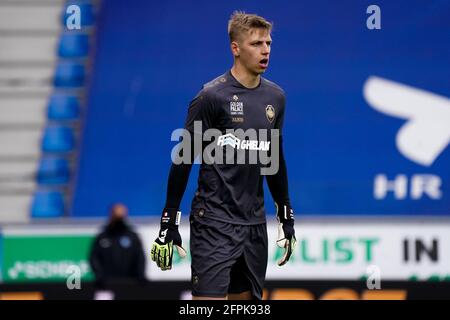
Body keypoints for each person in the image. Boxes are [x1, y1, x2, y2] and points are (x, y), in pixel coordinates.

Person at [151, 11, 296, 300]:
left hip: (254, 225)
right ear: (236, 48)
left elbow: (275, 158)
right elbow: (184, 159)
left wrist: (285, 214)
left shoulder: (276, 98)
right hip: (214, 222)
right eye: (256, 44)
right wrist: (169, 220)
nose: (265, 50)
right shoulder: (210, 97)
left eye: (268, 43)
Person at [89, 203, 146, 287]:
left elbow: (140, 258)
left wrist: (139, 275)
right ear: (111, 215)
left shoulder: (132, 237)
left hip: (129, 283)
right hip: (106, 284)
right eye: (116, 216)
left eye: (120, 217)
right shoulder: (102, 237)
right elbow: (94, 258)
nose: (118, 220)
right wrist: (99, 276)